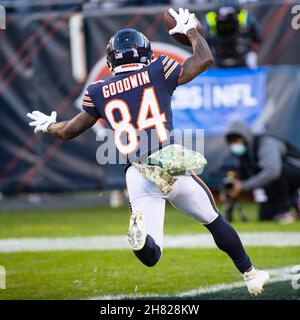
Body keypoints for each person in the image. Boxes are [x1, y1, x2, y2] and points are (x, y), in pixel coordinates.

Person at [27, 8, 269, 295]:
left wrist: (50, 125)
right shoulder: (157, 69)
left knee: (152, 255)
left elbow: (68, 131)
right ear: (144, 52)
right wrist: (191, 30)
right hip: (169, 164)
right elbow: (204, 58)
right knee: (213, 219)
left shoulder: (99, 90)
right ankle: (250, 274)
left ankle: (140, 241)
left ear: (112, 57)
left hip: (138, 174)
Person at [225, 120, 300, 222]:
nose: (235, 145)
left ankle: (286, 208)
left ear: (245, 138)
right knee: (265, 217)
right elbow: (241, 179)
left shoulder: (265, 143)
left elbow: (273, 172)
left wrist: (243, 186)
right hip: (276, 185)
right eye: (232, 142)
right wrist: (231, 190)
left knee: (278, 170)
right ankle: (291, 206)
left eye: (237, 140)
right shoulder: (245, 157)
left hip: (294, 172)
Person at [203, 0, 261, 68]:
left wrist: (250, 53)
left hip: (242, 54)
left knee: (252, 58)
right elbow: (202, 41)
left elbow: (256, 39)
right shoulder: (210, 17)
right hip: (217, 55)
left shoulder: (245, 16)